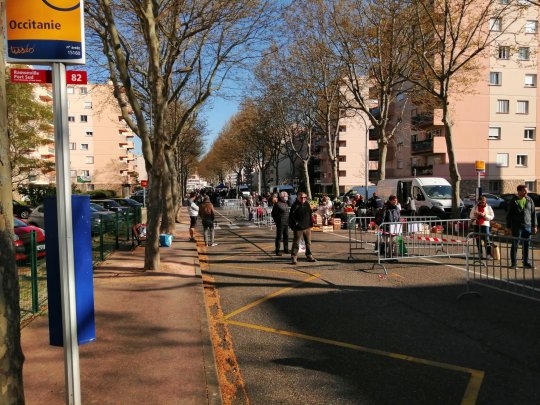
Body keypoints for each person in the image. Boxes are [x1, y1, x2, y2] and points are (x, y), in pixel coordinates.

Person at [506, 185, 537, 269]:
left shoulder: (529, 200)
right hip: (517, 227)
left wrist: (534, 226)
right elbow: (509, 215)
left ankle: (526, 262)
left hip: (527, 226)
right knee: (515, 244)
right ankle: (513, 263)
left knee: (527, 245)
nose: (526, 192)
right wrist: (508, 227)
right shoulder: (513, 201)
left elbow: (533, 213)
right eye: (524, 191)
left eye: (526, 191)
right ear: (519, 191)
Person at [288, 192, 316, 264]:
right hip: (298, 228)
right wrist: (294, 225)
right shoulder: (295, 205)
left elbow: (309, 214)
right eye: (301, 197)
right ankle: (294, 257)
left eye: (304, 197)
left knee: (308, 242)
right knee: (296, 243)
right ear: (298, 197)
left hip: (307, 227)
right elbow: (291, 217)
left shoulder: (307, 204)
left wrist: (311, 223)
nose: (303, 199)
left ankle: (309, 255)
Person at [271, 191, 290, 256]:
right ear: (281, 197)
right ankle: (277, 250)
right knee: (279, 237)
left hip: (286, 223)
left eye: (287, 196)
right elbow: (273, 214)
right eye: (285, 196)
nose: (286, 197)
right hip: (280, 223)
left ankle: (286, 249)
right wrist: (277, 222)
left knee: (286, 237)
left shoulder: (286, 203)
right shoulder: (277, 204)